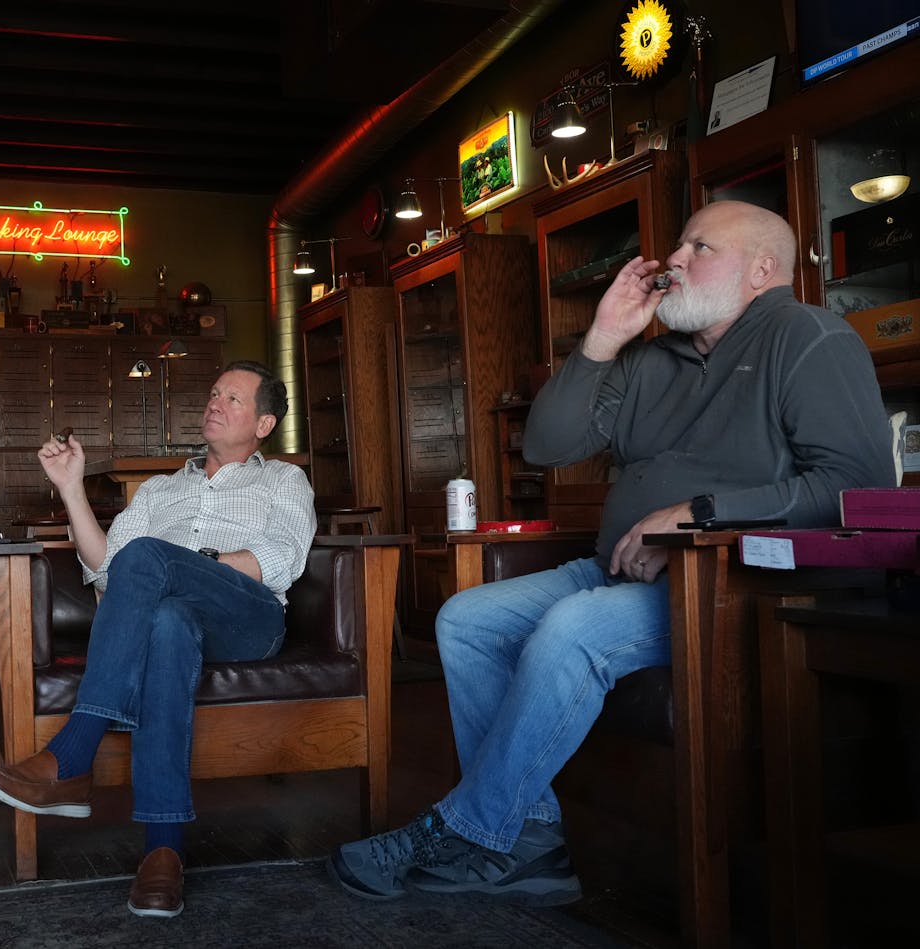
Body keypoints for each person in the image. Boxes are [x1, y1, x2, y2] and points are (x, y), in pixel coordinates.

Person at [329, 200, 896, 905]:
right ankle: (528, 843)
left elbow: (857, 486)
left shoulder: (809, 336)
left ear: (761, 270)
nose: (673, 261)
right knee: (466, 619)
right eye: (677, 246)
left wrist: (695, 517)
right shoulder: (649, 360)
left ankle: (470, 829)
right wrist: (599, 339)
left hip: (731, 582)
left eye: (698, 248)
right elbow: (546, 447)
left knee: (574, 628)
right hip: (615, 570)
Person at [0, 359, 316, 918]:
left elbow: (283, 558)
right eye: (213, 393)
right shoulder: (160, 490)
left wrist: (188, 565)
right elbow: (109, 569)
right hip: (175, 617)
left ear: (263, 425)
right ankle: (163, 852)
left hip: (247, 617)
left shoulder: (283, 480)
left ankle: (73, 754)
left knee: (152, 562)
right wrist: (71, 489)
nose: (215, 403)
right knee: (167, 622)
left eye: (233, 398)